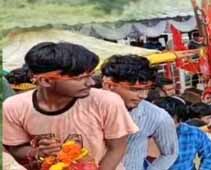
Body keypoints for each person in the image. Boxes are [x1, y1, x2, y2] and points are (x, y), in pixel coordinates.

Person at [2, 43, 137, 170]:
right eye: (80, 78)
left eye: (91, 75)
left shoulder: (107, 101)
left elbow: (117, 148)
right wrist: (37, 152)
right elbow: (14, 148)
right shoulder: (14, 107)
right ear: (46, 81)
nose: (90, 83)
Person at [102, 55, 179, 170]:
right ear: (109, 85)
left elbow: (170, 153)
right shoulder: (85, 109)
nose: (143, 95)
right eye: (135, 89)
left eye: (147, 89)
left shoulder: (157, 116)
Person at [153, 99, 211, 170]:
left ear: (180, 120)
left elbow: (210, 154)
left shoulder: (193, 133)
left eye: (170, 122)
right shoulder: (146, 134)